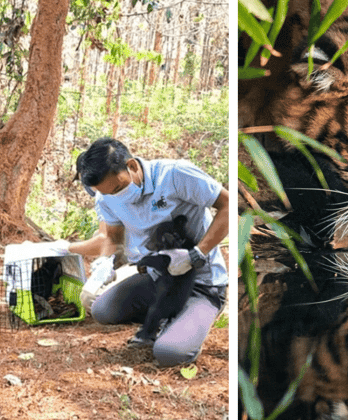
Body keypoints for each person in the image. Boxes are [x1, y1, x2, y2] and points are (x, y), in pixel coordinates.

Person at [60, 137, 228, 367]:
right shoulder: (106, 196)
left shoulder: (175, 175)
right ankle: (173, 318)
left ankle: (191, 318)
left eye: (119, 188)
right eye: (108, 193)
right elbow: (113, 238)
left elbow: (228, 205)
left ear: (132, 166)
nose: (116, 196)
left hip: (202, 283)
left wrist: (197, 254)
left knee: (169, 353)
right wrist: (107, 261)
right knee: (102, 310)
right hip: (159, 279)